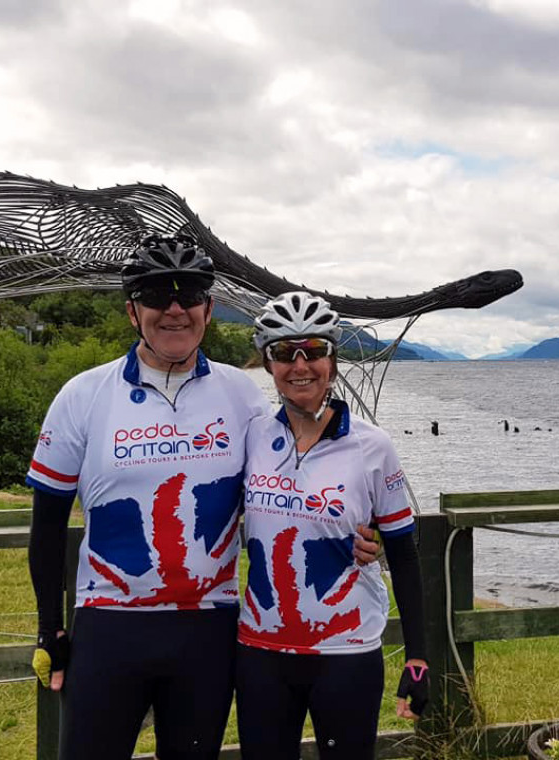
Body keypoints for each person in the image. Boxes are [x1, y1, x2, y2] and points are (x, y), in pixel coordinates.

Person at [27, 233, 379, 760]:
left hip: (208, 627)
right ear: (132, 311)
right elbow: (48, 526)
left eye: (189, 294)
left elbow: (297, 476)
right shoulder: (83, 394)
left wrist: (359, 531)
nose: (174, 309)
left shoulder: (241, 395)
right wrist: (47, 627)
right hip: (109, 622)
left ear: (209, 310)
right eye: (155, 296)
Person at [235, 292, 429, 760]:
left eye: (314, 350)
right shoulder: (252, 435)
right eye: (285, 352)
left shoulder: (373, 446)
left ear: (333, 359)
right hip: (262, 648)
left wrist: (419, 658)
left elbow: (403, 551)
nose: (301, 364)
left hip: (346, 649)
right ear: (268, 363)